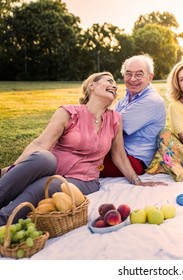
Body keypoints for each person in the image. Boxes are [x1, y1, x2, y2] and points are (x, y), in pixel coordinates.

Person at [0, 72, 165, 226]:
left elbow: (119, 155)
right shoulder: (68, 112)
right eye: (109, 81)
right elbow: (40, 144)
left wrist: (137, 181)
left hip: (83, 179)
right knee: (44, 158)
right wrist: (16, 169)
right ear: (92, 85)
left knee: (49, 185)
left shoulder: (115, 119)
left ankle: (4, 219)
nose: (114, 86)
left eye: (115, 84)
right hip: (53, 165)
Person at [100, 54, 166, 178]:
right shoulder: (127, 97)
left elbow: (109, 126)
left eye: (139, 74)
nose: (132, 79)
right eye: (128, 74)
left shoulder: (151, 101)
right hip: (115, 153)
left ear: (150, 77)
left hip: (131, 161)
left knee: (79, 162)